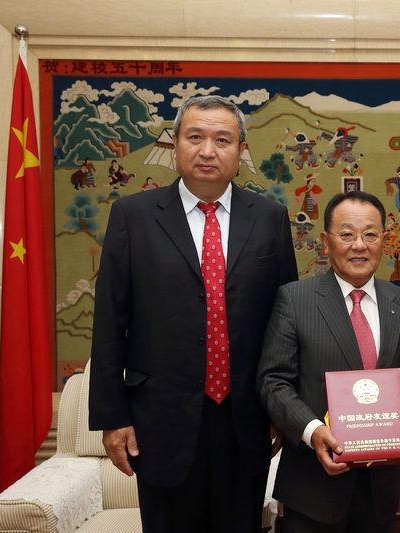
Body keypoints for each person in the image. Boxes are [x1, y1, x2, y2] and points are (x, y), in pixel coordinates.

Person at [89, 95, 298, 533]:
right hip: (160, 419)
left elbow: (286, 323)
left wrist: (284, 410)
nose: (207, 151)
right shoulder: (133, 216)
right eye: (195, 137)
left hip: (246, 418)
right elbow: (110, 322)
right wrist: (113, 417)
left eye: (222, 140)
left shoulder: (271, 218)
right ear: (175, 145)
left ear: (241, 151)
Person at [257, 191, 400, 533]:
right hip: (312, 488)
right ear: (326, 242)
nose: (359, 245)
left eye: (370, 234)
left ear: (383, 240)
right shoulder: (295, 299)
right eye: (347, 234)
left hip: (381, 489)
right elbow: (273, 381)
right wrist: (313, 432)